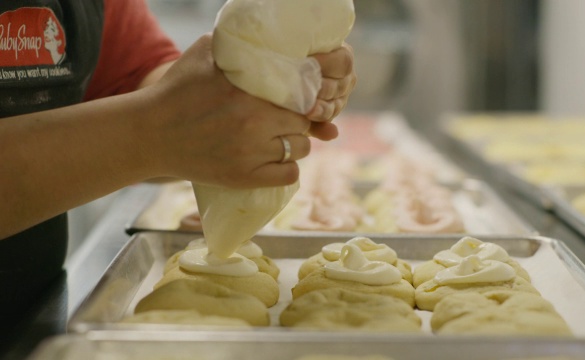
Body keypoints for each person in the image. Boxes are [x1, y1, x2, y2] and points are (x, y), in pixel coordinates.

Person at [0, 0, 356, 327]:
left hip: (34, 320)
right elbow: (144, 120)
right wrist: (150, 130)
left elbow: (138, 82)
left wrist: (254, 86)